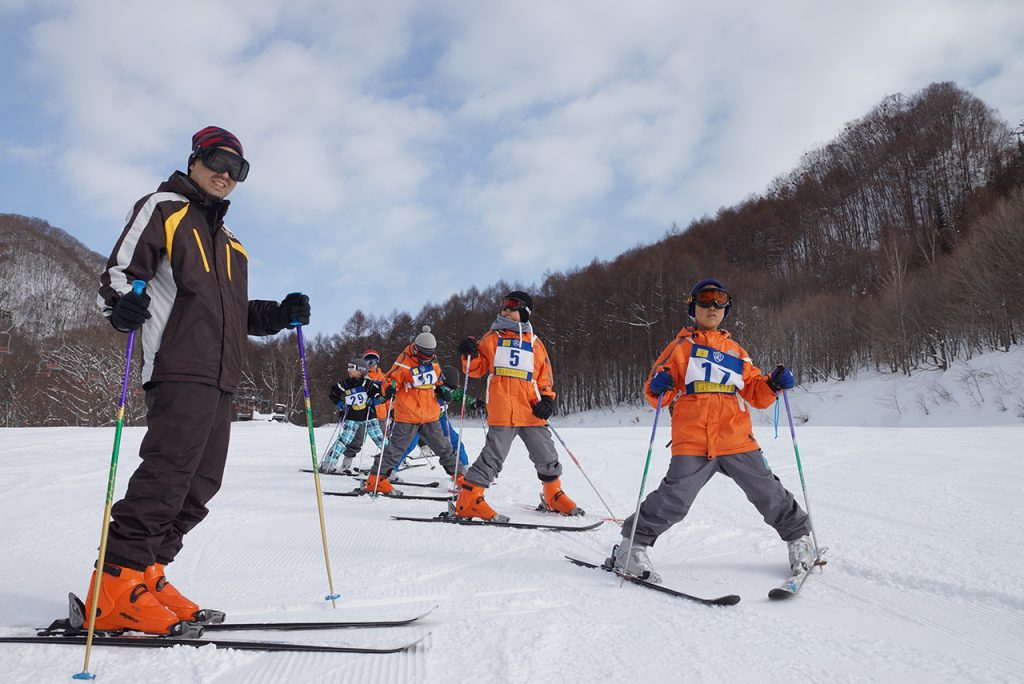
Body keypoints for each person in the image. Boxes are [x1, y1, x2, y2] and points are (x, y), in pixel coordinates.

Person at [91, 126, 311, 635]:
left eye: (238, 169)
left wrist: (280, 314)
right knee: (167, 474)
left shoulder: (233, 245)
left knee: (200, 484)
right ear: (194, 160)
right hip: (177, 365)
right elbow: (122, 273)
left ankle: (150, 572)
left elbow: (234, 312)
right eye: (217, 160)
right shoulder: (164, 208)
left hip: (221, 377)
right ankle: (116, 584)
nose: (226, 174)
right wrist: (120, 306)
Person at [607, 279, 812, 583]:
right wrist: (659, 386)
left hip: (735, 436)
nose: (712, 307)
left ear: (727, 309)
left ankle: (800, 540)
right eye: (705, 300)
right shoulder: (680, 348)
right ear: (693, 307)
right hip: (693, 438)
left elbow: (755, 393)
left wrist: (772, 383)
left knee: (767, 490)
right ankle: (631, 547)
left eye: (720, 301)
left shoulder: (737, 352)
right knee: (675, 498)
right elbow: (655, 392)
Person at [454, 291, 581, 522]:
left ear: (525, 312)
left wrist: (547, 399)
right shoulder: (492, 338)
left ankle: (552, 495)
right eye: (504, 306)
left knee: (546, 453)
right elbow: (475, 369)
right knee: (494, 455)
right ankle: (469, 499)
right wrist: (468, 353)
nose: (506, 310)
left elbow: (544, 375)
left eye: (512, 307)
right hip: (503, 407)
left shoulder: (535, 343)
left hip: (531, 408)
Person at [364, 326, 466, 494]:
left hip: (430, 414)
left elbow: (437, 380)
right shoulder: (404, 360)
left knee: (444, 448)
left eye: (430, 355)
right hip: (408, 414)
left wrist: (442, 389)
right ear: (417, 349)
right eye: (424, 355)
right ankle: (375, 479)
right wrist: (389, 388)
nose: (427, 358)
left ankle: (460, 477)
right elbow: (391, 379)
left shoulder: (433, 360)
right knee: (395, 449)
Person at [395, 365, 475, 471]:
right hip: (421, 418)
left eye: (450, 389)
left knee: (454, 440)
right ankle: (391, 468)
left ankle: (462, 468)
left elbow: (461, 395)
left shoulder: (452, 391)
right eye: (445, 387)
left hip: (440, 419)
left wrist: (473, 403)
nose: (447, 391)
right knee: (409, 442)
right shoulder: (431, 389)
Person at [321, 358, 384, 474]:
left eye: (352, 368)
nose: (349, 370)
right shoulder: (346, 383)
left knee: (380, 439)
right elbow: (333, 393)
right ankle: (328, 463)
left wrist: (375, 400)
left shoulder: (368, 383)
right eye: (349, 367)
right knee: (344, 440)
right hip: (352, 416)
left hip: (368, 416)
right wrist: (341, 404)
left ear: (360, 370)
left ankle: (392, 464)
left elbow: (379, 394)